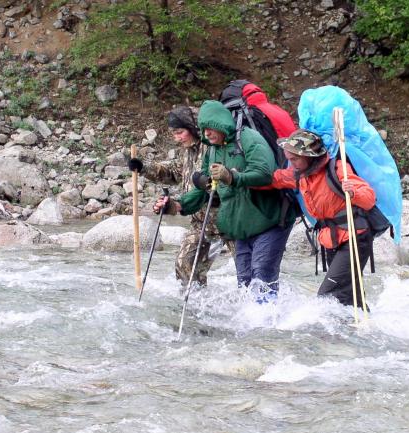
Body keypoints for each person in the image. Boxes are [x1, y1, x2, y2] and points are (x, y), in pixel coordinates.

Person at [157, 100, 294, 301]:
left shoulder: (248, 139)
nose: (207, 134)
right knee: (245, 283)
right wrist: (177, 205)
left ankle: (269, 323)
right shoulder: (212, 150)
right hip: (239, 226)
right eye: (203, 130)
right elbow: (204, 189)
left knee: (261, 276)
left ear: (221, 122)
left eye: (210, 128)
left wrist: (231, 177)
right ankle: (251, 324)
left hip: (269, 221)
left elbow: (265, 173)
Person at [268, 129, 376, 308]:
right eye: (289, 158)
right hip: (331, 240)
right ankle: (360, 330)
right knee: (349, 297)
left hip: (354, 238)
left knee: (327, 297)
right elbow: (274, 179)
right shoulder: (300, 174)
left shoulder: (338, 169)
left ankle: (331, 334)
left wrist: (353, 192)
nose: (291, 163)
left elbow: (369, 198)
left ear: (309, 157)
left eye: (294, 159)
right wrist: (238, 178)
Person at [127, 105, 230, 287]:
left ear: (194, 129)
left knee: (250, 272)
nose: (176, 138)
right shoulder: (189, 151)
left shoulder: (213, 148)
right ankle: (196, 308)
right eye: (174, 133)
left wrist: (178, 205)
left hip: (229, 220)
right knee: (185, 266)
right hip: (201, 222)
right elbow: (175, 173)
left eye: (180, 132)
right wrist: (143, 168)